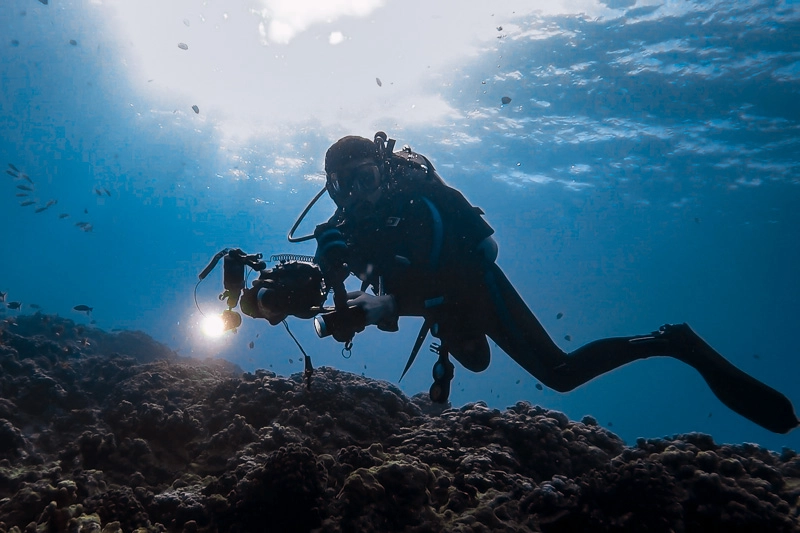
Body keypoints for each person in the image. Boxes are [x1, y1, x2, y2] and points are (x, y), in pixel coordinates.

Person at [312, 132, 798, 434]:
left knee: (561, 374)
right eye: (342, 186)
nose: (356, 195)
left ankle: (672, 343)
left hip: (477, 289)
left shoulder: (424, 202)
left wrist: (385, 306)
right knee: (476, 361)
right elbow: (316, 289)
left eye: (364, 179)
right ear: (329, 189)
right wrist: (294, 292)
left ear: (383, 173)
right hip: (438, 307)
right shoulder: (344, 231)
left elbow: (482, 255)